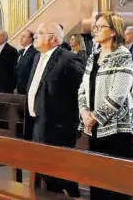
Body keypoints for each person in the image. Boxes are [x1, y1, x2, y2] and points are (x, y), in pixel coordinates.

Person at [78, 13, 133, 200]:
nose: (95, 30)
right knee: (97, 182)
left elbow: (118, 95)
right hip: (94, 129)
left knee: (115, 186)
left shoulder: (123, 56)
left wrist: (95, 117)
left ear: (113, 32)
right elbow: (82, 89)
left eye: (100, 27)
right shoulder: (93, 57)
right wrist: (84, 112)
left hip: (116, 130)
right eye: (95, 27)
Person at [26, 22, 84, 198]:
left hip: (58, 126)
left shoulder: (68, 59)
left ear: (53, 38)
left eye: (40, 33)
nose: (35, 36)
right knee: (44, 170)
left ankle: (72, 195)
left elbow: (81, 90)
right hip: (38, 122)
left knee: (61, 174)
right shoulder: (38, 57)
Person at [16, 30, 38, 95]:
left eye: (23, 36)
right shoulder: (21, 51)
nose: (21, 38)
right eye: (20, 36)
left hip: (28, 86)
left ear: (30, 39)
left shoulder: (35, 52)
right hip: (19, 86)